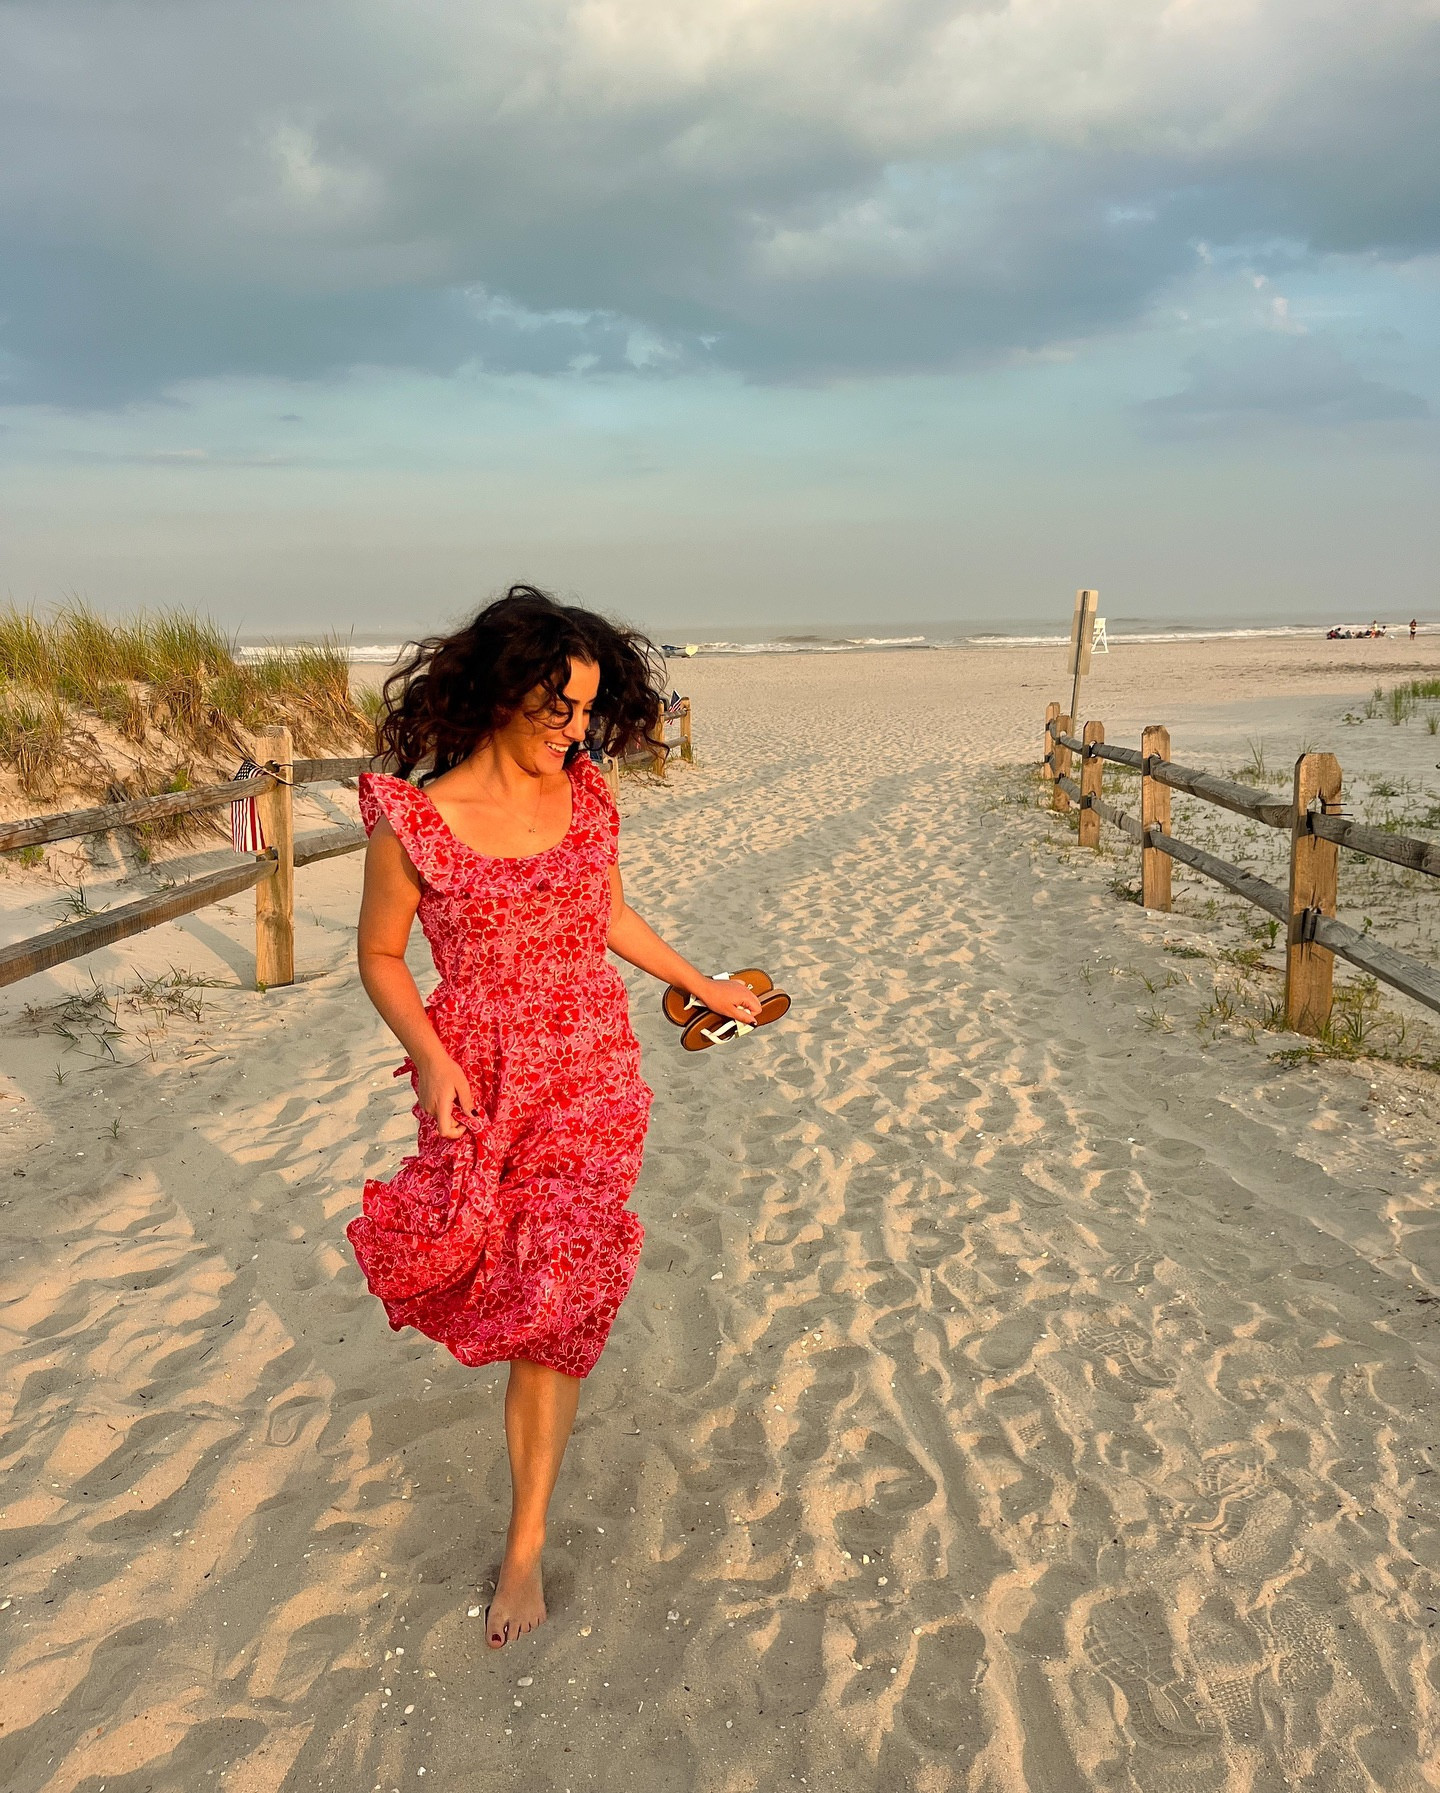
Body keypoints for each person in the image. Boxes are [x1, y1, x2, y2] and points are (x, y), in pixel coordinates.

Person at [349, 586, 764, 1648]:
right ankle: (527, 1506)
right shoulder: (414, 822)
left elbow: (606, 911)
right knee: (488, 1269)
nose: (576, 729)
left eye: (586, 708)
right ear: (501, 692)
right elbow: (381, 955)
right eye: (558, 706)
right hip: (483, 1084)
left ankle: (524, 1540)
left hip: (590, 1076)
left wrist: (703, 984)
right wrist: (429, 1054)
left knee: (558, 1296)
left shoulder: (585, 793)